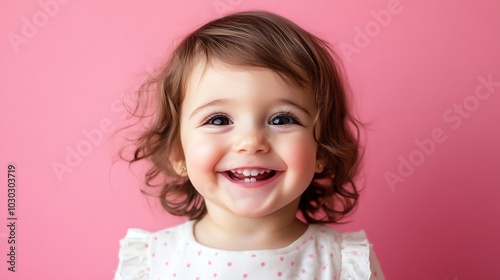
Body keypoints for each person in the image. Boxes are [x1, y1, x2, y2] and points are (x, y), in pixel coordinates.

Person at [115, 10, 384, 280]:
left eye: (281, 119)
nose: (251, 142)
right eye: (219, 120)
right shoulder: (152, 263)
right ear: (178, 153)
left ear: (322, 149)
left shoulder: (344, 264)